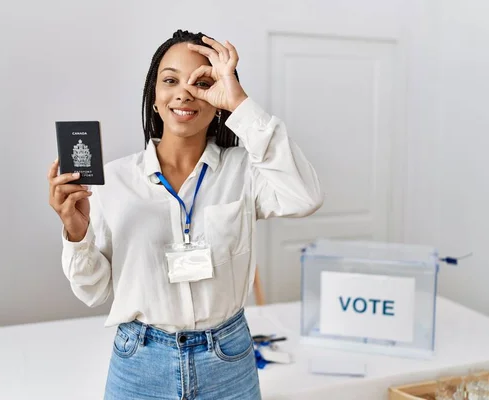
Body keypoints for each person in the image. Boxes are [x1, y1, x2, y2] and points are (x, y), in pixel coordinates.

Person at [47, 29, 323, 400]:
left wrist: (239, 103)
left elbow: (305, 197)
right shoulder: (112, 181)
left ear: (218, 98)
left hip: (228, 359)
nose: (184, 93)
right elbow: (93, 293)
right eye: (170, 80)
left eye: (203, 82)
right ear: (155, 99)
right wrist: (77, 234)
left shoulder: (244, 170)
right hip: (140, 363)